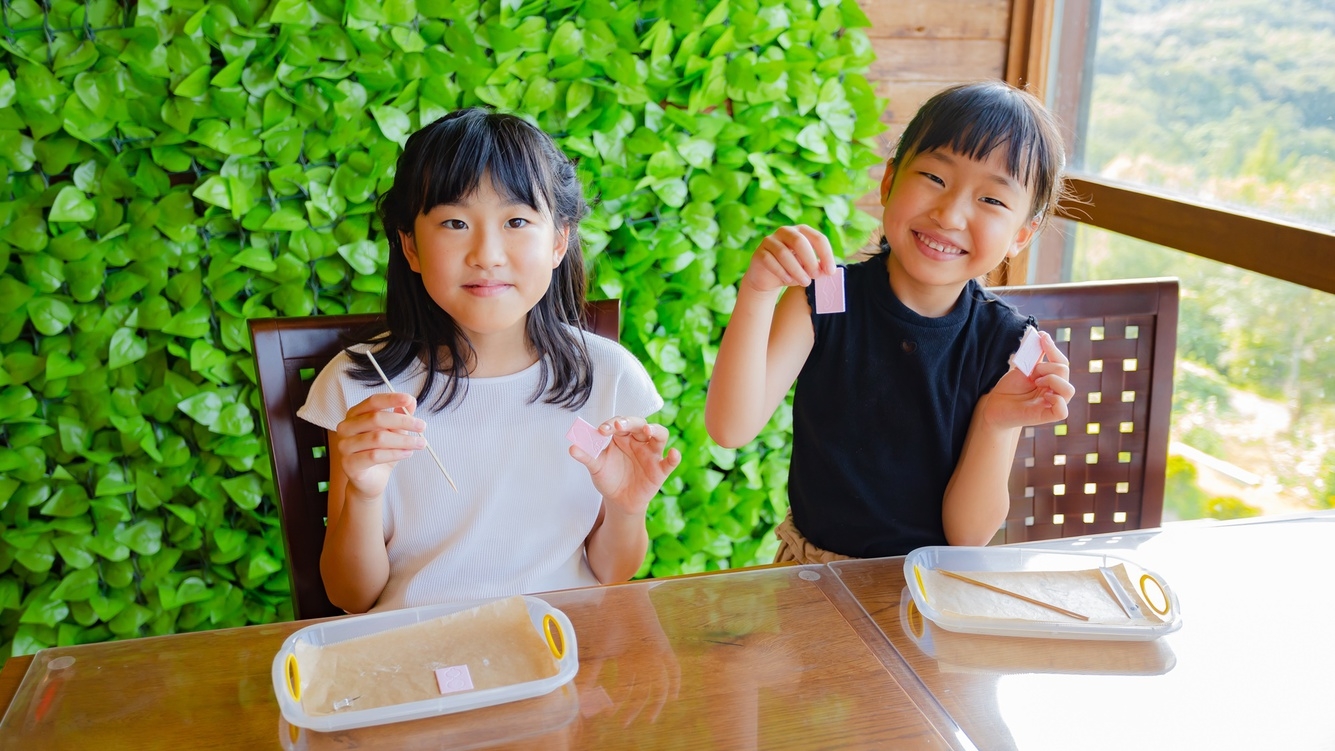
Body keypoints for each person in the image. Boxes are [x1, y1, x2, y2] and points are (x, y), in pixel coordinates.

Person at [299, 109, 681, 613]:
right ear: (410, 246)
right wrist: (365, 498)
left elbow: (612, 571)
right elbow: (351, 596)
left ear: (559, 241)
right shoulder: (361, 384)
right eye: (455, 222)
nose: (487, 254)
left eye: (517, 220)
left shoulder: (606, 376)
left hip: (561, 646)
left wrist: (627, 508)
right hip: (415, 653)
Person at [705, 81, 1076, 562]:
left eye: (991, 201)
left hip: (931, 586)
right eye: (935, 178)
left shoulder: (1008, 342)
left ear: (1021, 236)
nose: (950, 213)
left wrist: (996, 421)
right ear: (888, 181)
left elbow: (968, 536)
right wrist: (757, 291)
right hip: (813, 576)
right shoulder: (828, 296)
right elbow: (730, 429)